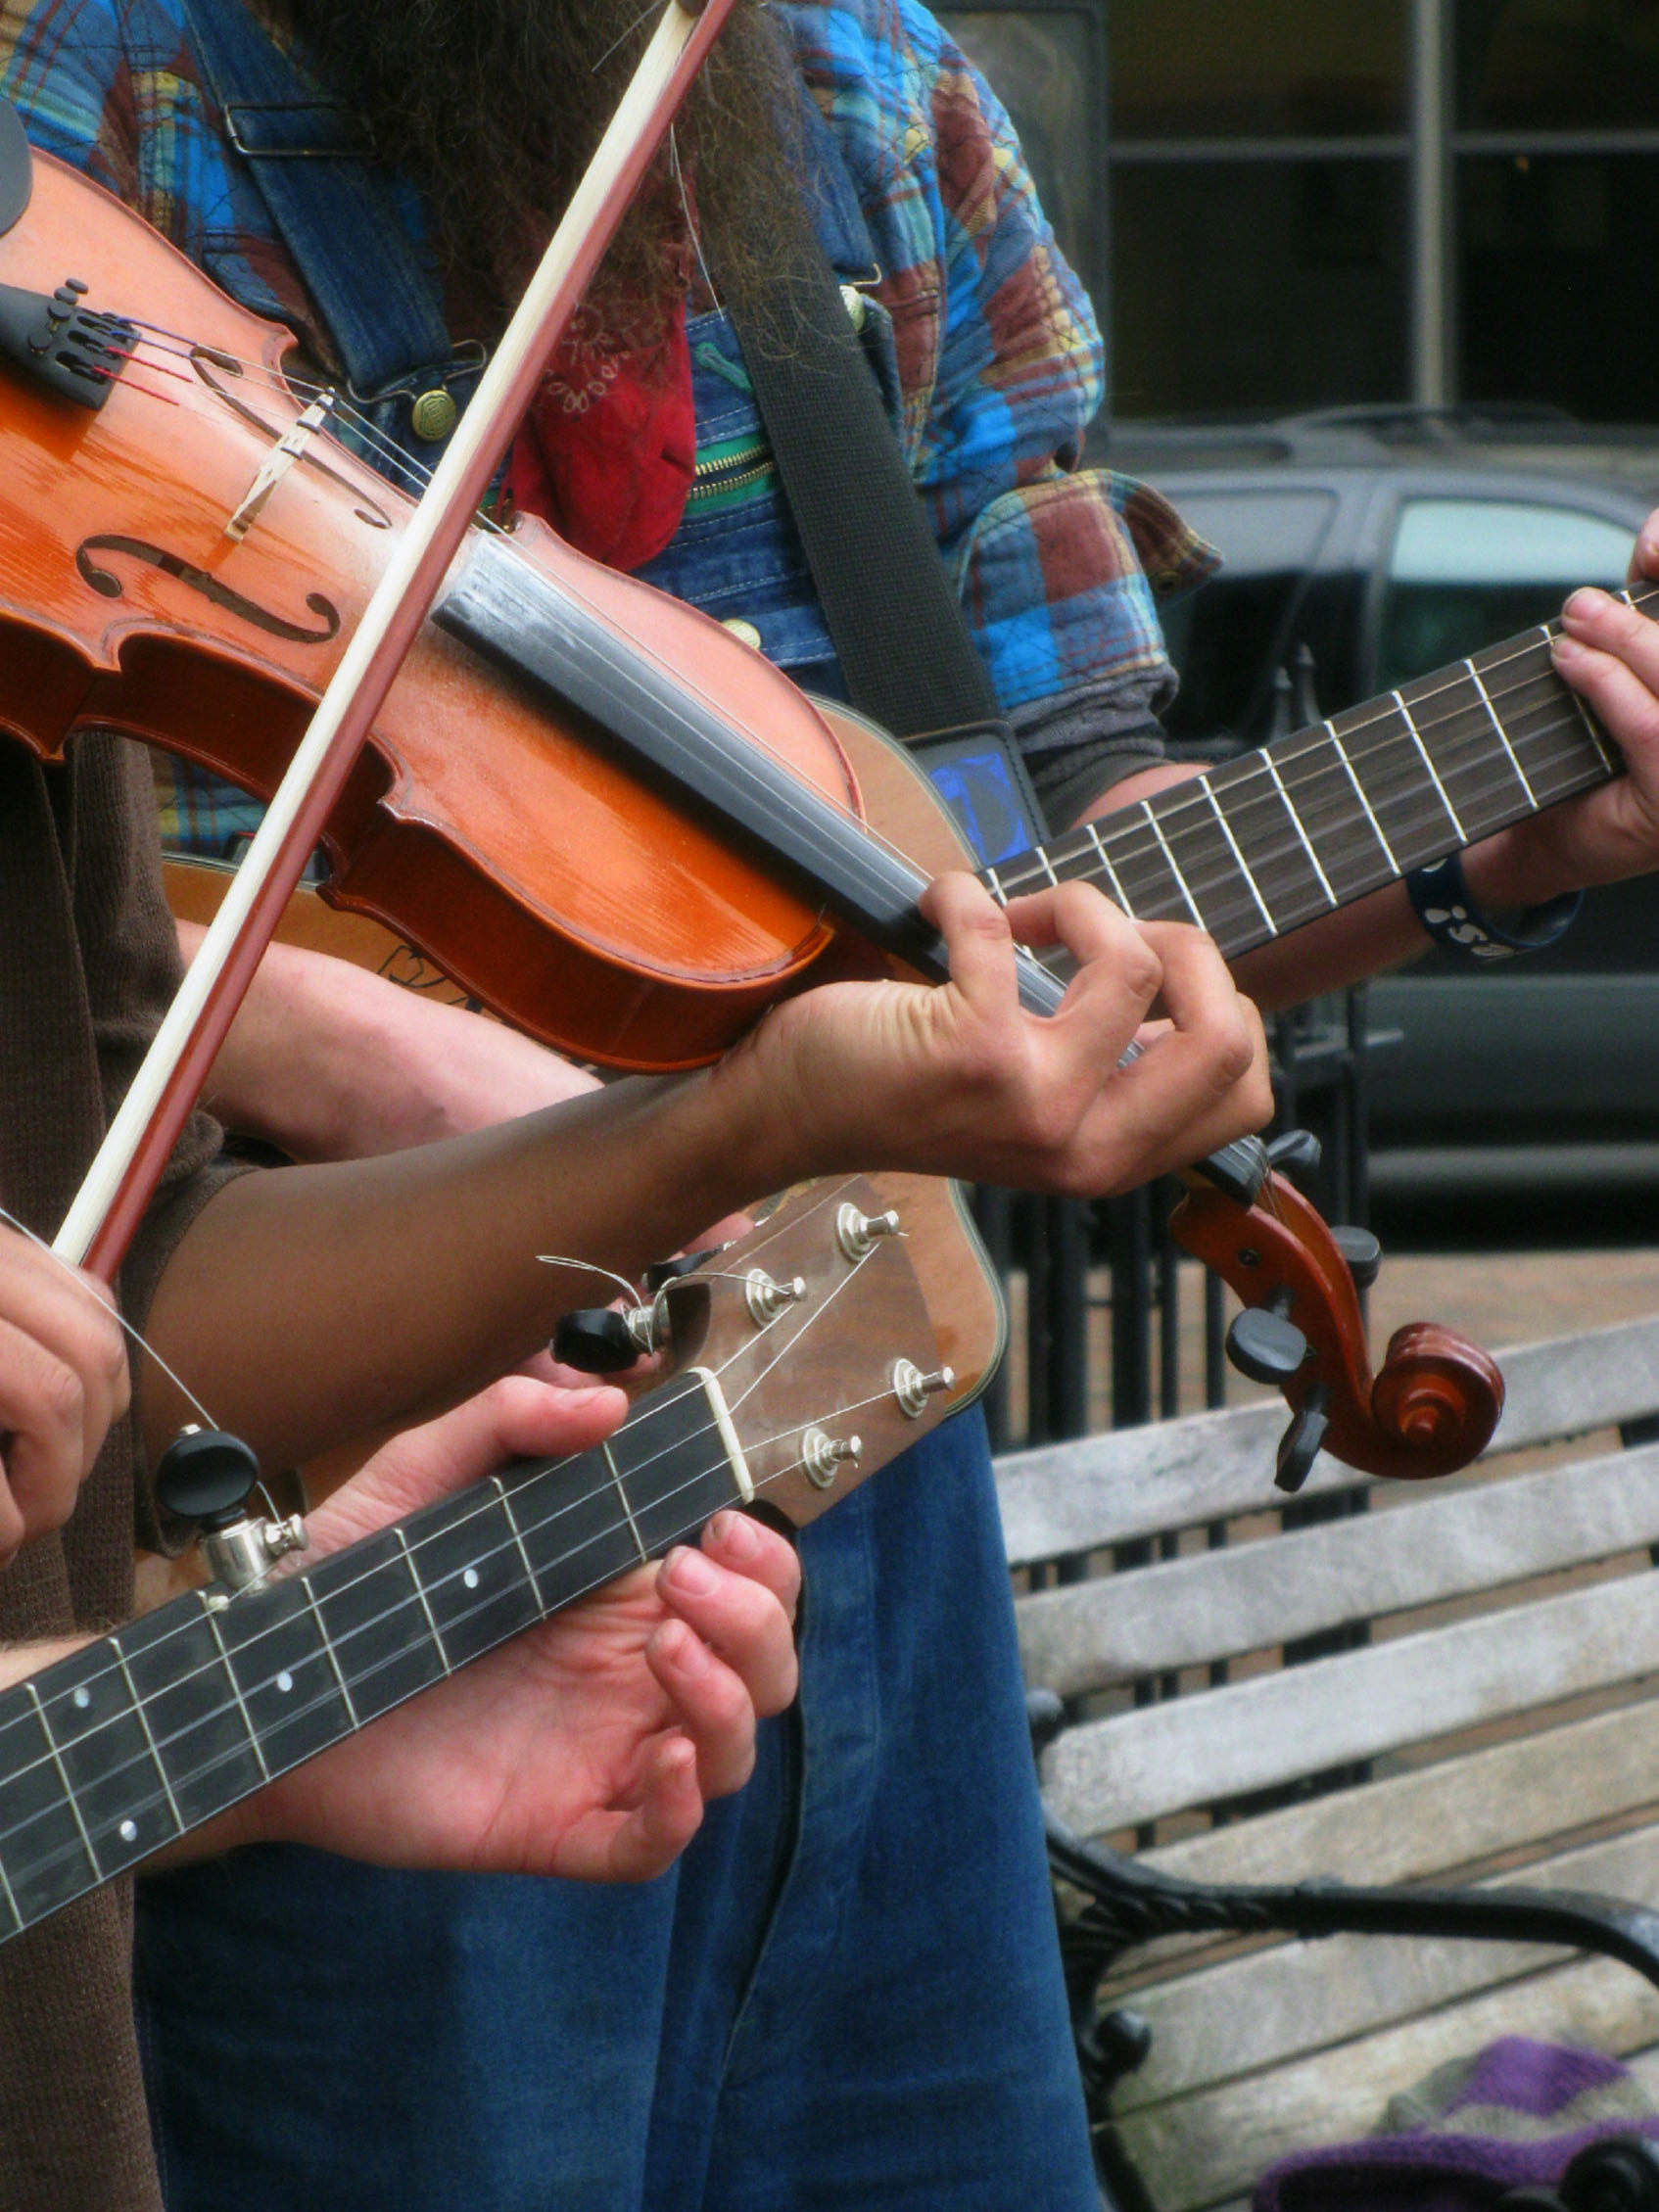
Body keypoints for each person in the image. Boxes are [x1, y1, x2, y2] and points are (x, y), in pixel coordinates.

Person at [4, 3, 1659, 2211]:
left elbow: (1073, 843)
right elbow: (81, 942)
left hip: (862, 1446)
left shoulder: (880, 101)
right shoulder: (98, 93)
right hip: (365, 1519)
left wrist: (1495, 837)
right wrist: (319, 1022)